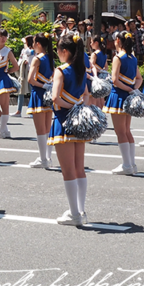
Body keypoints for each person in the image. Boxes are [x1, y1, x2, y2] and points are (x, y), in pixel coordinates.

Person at [48, 33, 92, 226]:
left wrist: (72, 107)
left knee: (68, 170)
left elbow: (55, 98)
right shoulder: (81, 68)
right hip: (79, 122)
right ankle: (80, 210)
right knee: (79, 168)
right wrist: (80, 109)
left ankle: (74, 213)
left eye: (58, 50)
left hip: (64, 121)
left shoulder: (61, 70)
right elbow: (86, 95)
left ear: (64, 51)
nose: (57, 54)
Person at [105, 31, 142, 175]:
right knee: (127, 131)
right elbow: (139, 78)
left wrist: (127, 89)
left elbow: (114, 80)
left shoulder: (118, 57)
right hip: (129, 96)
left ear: (118, 41)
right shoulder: (132, 58)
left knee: (120, 132)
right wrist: (133, 89)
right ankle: (131, 164)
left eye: (115, 40)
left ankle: (126, 165)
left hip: (119, 96)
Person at [24, 34, 56, 168]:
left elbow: (30, 79)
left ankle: (43, 159)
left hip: (39, 94)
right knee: (47, 128)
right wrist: (48, 85)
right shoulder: (50, 57)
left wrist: (43, 85)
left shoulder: (37, 59)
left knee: (40, 130)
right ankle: (48, 157)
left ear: (38, 44)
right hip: (48, 94)